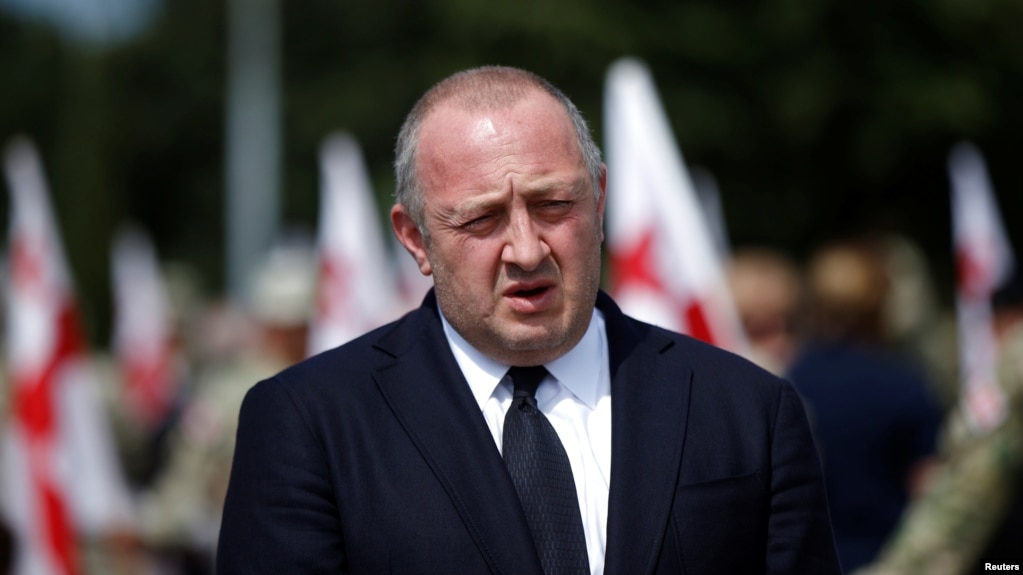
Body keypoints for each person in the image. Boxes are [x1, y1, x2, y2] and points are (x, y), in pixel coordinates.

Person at [217, 65, 841, 575]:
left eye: (553, 205)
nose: (526, 249)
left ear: (599, 200)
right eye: (481, 220)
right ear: (415, 239)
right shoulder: (310, 423)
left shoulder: (747, 409)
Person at [786, 236, 944, 573]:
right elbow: (932, 489)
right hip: (888, 560)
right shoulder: (903, 384)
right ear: (879, 302)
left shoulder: (784, 381)